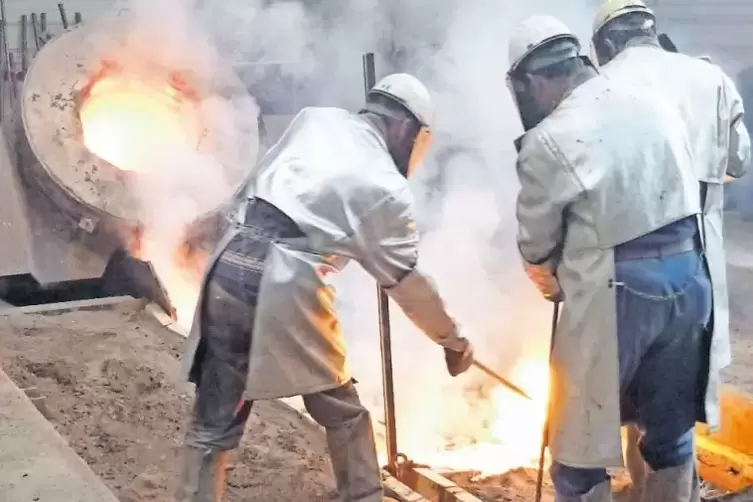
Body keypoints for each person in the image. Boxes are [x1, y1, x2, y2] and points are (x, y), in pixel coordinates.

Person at [176, 73, 475, 502]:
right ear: (408, 130)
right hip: (282, 285)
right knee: (344, 413)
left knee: (212, 428)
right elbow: (406, 281)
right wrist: (453, 339)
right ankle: (365, 496)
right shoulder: (386, 187)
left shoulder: (314, 120)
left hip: (228, 261)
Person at [508, 15, 711, 502]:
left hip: (619, 295)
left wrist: (551, 283)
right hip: (691, 281)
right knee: (669, 433)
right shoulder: (653, 102)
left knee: (578, 452)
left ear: (533, 81)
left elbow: (536, 246)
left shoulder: (549, 139)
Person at [591, 1, 751, 499]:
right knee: (674, 410)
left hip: (623, 270)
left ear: (604, 44)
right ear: (652, 31)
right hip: (695, 264)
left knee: (621, 407)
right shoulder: (710, 78)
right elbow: (738, 162)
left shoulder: (597, 89)